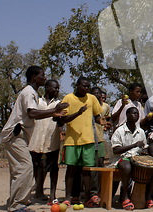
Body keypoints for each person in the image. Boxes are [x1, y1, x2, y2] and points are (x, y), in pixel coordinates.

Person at [1, 66, 68, 212]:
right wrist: (55, 111)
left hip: (18, 136)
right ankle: (17, 205)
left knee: (18, 170)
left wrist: (54, 113)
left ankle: (14, 202)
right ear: (34, 77)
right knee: (26, 167)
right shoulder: (29, 92)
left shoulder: (32, 93)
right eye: (42, 75)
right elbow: (32, 114)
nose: (45, 77)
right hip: (15, 135)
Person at [59, 77, 108, 208]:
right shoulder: (68, 98)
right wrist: (78, 113)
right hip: (72, 140)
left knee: (87, 170)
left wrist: (102, 122)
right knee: (71, 169)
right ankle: (68, 197)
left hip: (88, 140)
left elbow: (98, 115)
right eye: (84, 86)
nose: (86, 88)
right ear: (77, 85)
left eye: (88, 86)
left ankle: (87, 197)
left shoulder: (92, 98)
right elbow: (63, 119)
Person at [111, 107, 153, 210]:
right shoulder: (119, 131)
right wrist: (134, 145)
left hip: (137, 158)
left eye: (138, 114)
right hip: (122, 158)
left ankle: (148, 197)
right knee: (127, 166)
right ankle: (125, 197)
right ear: (127, 115)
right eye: (134, 113)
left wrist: (145, 153)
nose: (136, 115)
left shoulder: (141, 131)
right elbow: (116, 150)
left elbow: (145, 148)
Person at [28, 79, 63, 205]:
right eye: (55, 88)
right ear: (47, 88)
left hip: (51, 140)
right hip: (36, 139)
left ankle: (52, 194)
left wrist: (61, 131)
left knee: (53, 167)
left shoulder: (59, 103)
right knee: (36, 166)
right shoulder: (37, 100)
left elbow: (60, 120)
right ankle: (38, 190)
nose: (57, 90)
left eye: (58, 88)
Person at [89, 87, 112, 200]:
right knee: (90, 166)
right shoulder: (88, 106)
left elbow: (107, 120)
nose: (96, 95)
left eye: (98, 93)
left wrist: (106, 124)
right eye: (94, 93)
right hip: (89, 139)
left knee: (100, 165)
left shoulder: (105, 107)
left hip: (101, 138)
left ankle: (98, 192)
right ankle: (90, 191)